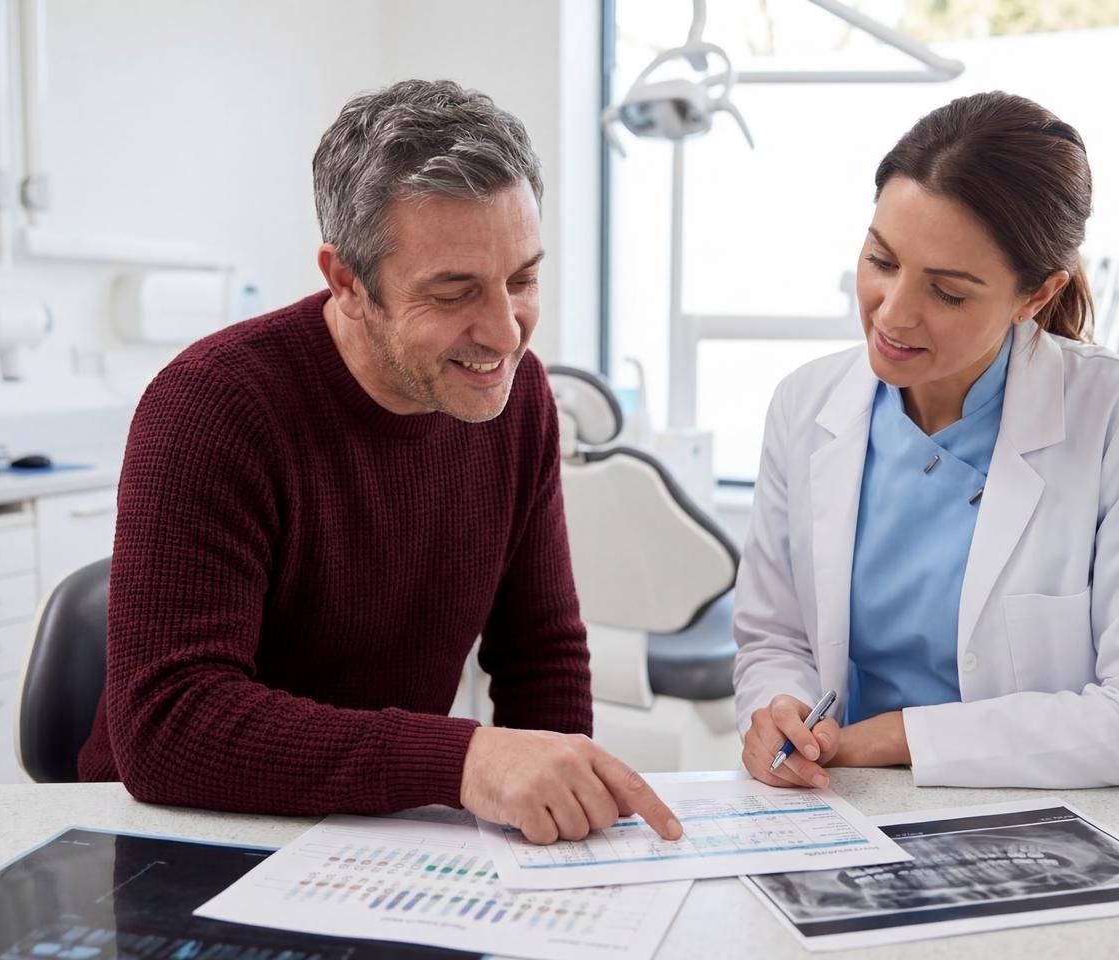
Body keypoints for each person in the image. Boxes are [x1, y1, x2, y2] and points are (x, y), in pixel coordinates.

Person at [78, 80, 682, 846]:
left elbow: (542, 655)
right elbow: (170, 723)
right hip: (179, 836)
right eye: (456, 292)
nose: (504, 333)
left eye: (523, 279)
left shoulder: (515, 396)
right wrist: (462, 759)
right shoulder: (213, 409)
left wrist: (562, 834)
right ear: (348, 283)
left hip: (376, 839)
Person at [733, 91, 1119, 790]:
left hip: (1035, 821)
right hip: (840, 805)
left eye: (949, 293)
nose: (893, 315)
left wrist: (897, 736)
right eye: (881, 259)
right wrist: (779, 710)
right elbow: (775, 639)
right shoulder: (806, 405)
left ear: (1035, 295)